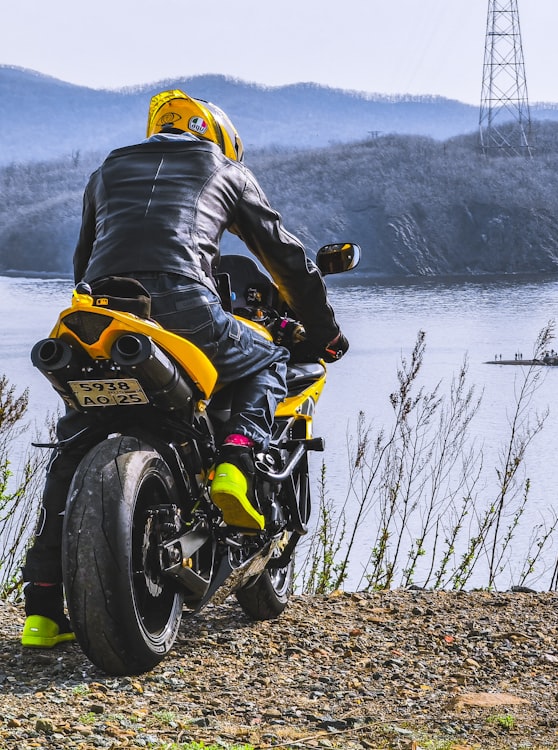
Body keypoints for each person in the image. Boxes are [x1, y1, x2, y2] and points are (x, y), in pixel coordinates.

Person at [21, 89, 347, 648]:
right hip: (186, 312)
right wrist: (324, 333)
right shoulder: (224, 169)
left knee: (74, 444)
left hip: (97, 317)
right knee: (266, 359)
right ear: (217, 136)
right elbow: (286, 259)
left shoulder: (108, 170)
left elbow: (85, 261)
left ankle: (43, 611)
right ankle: (236, 465)